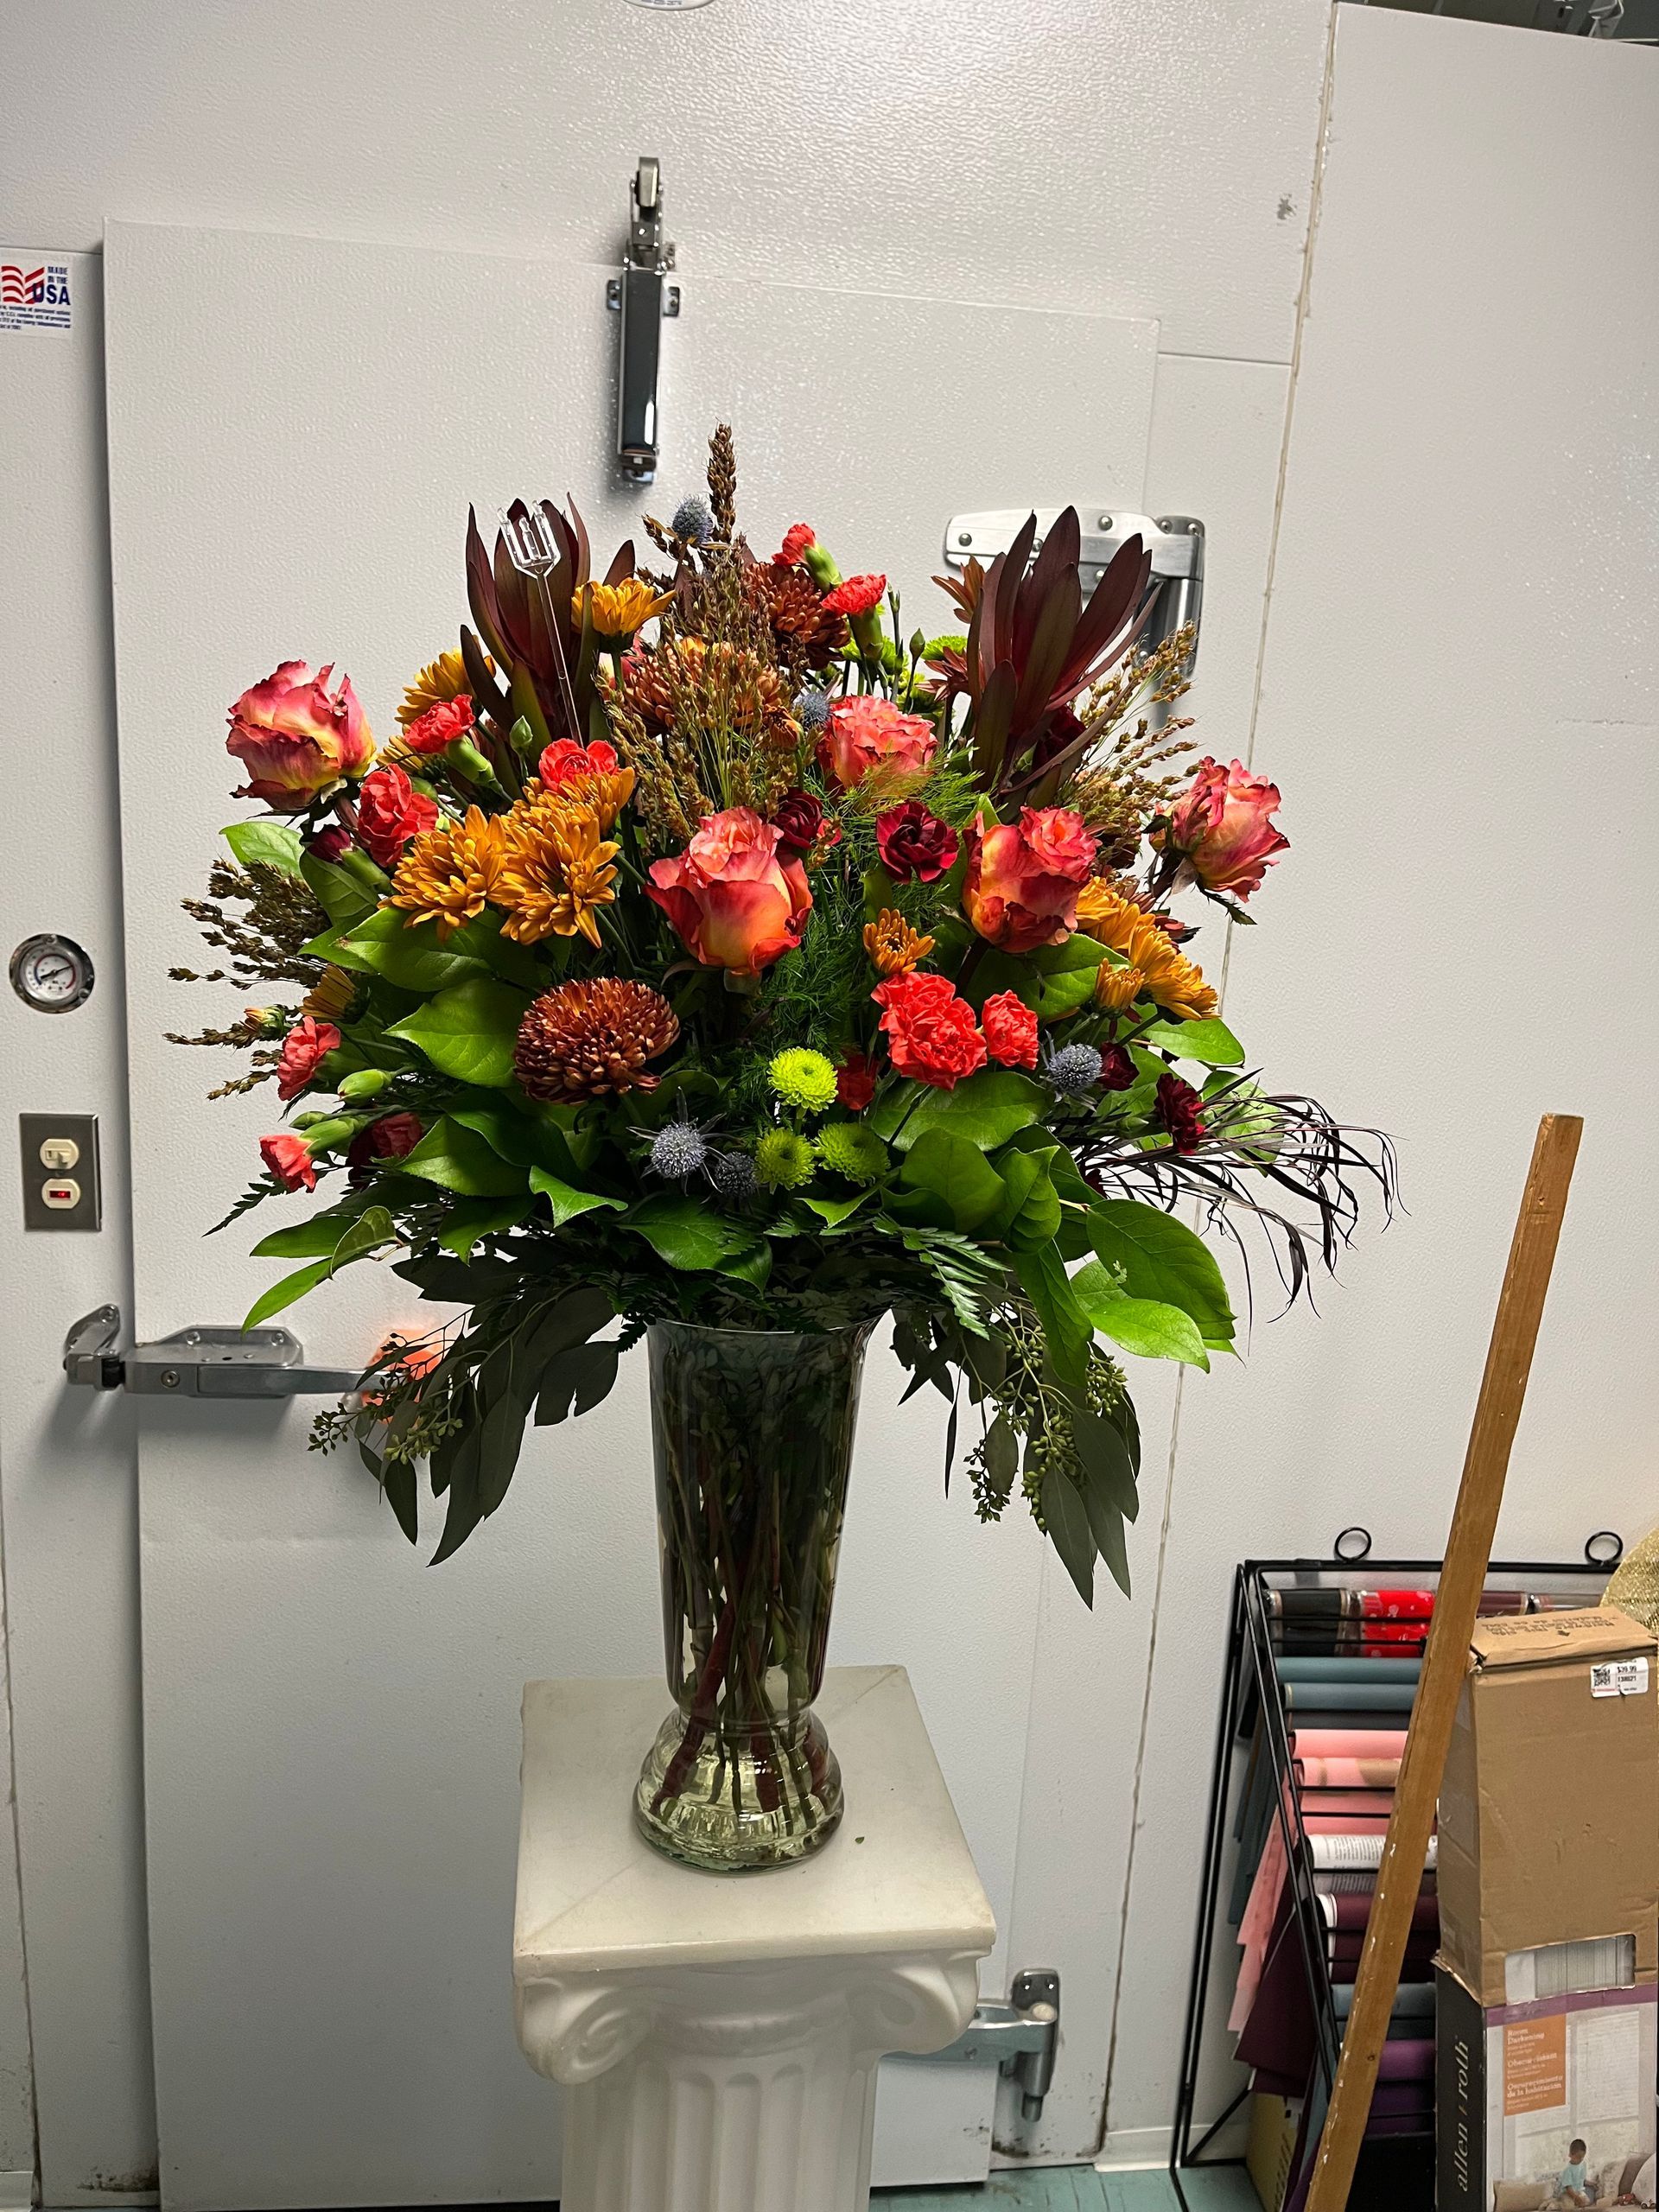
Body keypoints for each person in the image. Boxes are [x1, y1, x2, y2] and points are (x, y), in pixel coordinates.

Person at [1552, 2139, 1591, 2209]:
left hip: (1578, 2191)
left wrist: (1592, 2184)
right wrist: (1576, 2198)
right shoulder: (1568, 2170)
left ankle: (1574, 2203)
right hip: (1567, 2193)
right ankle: (1556, 2204)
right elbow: (1569, 2189)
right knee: (1569, 2206)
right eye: (1578, 2157)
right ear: (1570, 2155)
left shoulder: (1583, 2164)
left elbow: (1582, 2179)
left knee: (1587, 2201)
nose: (1581, 2160)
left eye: (1582, 2157)